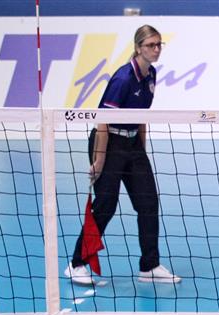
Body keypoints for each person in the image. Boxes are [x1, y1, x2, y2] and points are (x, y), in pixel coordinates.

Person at [63, 25, 181, 288]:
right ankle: (76, 264)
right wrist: (98, 161)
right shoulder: (123, 79)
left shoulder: (151, 75)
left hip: (132, 144)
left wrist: (141, 152)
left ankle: (149, 266)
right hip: (109, 143)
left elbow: (141, 116)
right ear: (138, 47)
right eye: (151, 45)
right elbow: (102, 122)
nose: (156, 49)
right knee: (106, 204)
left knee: (148, 202)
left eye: (159, 44)